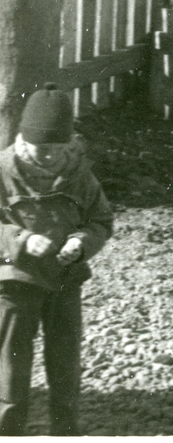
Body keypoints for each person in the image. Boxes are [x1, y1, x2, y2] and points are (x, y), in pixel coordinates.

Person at [0, 84, 114, 435]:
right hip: (16, 282)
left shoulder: (80, 175)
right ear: (22, 139)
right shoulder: (4, 171)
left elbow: (101, 221)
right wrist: (19, 239)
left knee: (65, 362)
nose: (48, 156)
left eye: (56, 148)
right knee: (11, 365)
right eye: (39, 149)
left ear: (68, 144)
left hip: (65, 280)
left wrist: (82, 241)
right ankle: (8, 430)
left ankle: (65, 431)